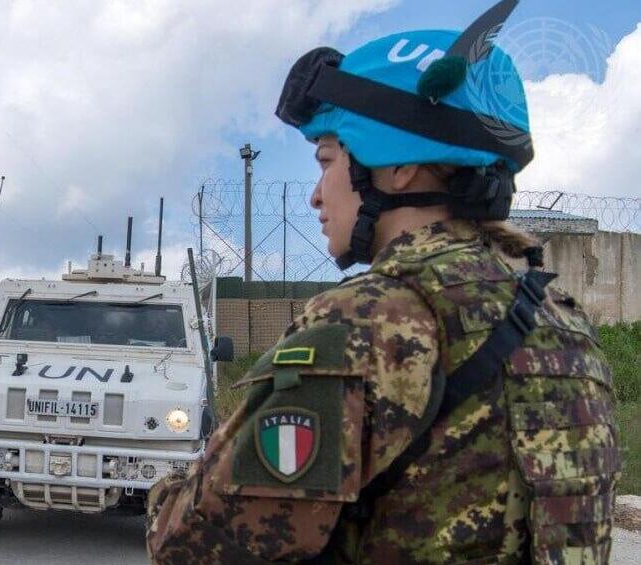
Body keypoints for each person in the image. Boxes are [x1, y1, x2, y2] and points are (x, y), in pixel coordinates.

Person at [145, 1, 619, 563]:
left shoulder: (370, 321)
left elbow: (191, 545)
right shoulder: (566, 325)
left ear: (397, 166)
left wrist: (167, 499)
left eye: (327, 160)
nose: (317, 195)